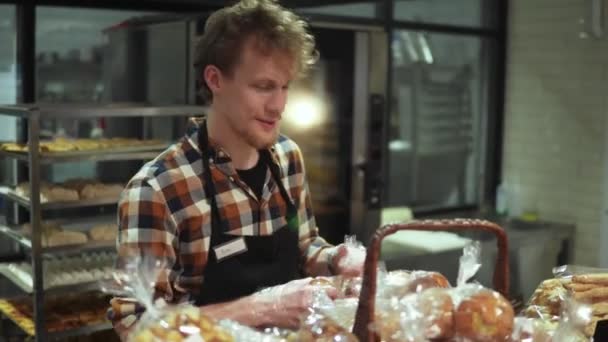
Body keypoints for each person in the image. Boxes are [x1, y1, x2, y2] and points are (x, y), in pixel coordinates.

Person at [109, 0, 365, 339]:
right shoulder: (158, 190)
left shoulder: (288, 158)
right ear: (215, 79)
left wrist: (336, 258)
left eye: (285, 86)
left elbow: (304, 246)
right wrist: (262, 307)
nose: (278, 105)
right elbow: (136, 326)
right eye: (263, 86)